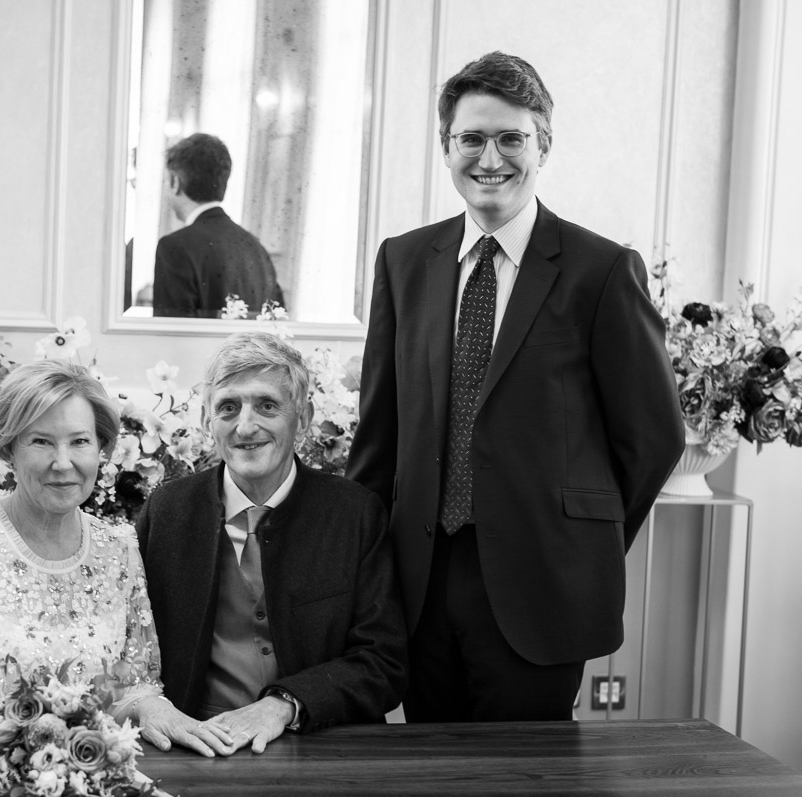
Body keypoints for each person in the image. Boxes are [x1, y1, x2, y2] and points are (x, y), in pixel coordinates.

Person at [346, 51, 684, 723]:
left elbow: (652, 439)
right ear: (446, 147)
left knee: (530, 771)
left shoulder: (602, 270)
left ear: (543, 145)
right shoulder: (403, 261)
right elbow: (379, 435)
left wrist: (580, 538)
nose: (490, 158)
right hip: (419, 581)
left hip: (543, 583)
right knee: (428, 765)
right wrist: (362, 569)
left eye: (511, 138)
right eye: (472, 138)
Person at [0, 361, 230, 756]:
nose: (63, 463)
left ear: (101, 448)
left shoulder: (119, 548)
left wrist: (154, 709)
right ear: (8, 449)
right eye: (41, 442)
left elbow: (128, 685)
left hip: (94, 772)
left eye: (79, 441)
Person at [137, 332, 407, 755]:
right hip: (194, 748)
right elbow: (131, 647)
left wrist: (284, 705)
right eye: (228, 407)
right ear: (207, 421)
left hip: (321, 746)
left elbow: (383, 662)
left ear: (303, 417)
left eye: (267, 405)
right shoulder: (166, 511)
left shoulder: (355, 514)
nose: (246, 426)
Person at [152, 133, 285, 318]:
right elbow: (277, 323)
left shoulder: (174, 247)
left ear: (175, 182)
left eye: (165, 181)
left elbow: (171, 330)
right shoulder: (256, 248)